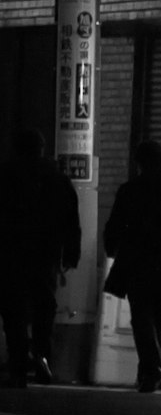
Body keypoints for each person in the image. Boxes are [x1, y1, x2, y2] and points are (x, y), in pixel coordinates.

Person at [97, 142, 161, 397]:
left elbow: (114, 226)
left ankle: (150, 370)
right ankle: (147, 373)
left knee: (141, 316)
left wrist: (111, 249)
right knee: (157, 317)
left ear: (139, 163)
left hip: (136, 260)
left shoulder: (130, 191)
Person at [3, 129, 80, 385]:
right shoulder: (57, 179)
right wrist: (71, 252)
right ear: (41, 149)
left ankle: (18, 363)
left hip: (11, 253)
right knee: (44, 306)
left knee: (13, 309)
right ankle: (41, 354)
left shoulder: (6, 176)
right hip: (46, 253)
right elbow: (71, 220)